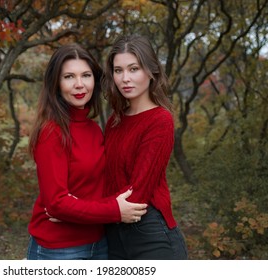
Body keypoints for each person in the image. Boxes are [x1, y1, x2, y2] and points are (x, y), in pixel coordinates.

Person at [27, 43, 147, 260]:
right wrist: (114, 211)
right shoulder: (51, 132)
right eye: (69, 77)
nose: (79, 84)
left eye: (86, 75)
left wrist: (75, 209)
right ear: (56, 83)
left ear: (95, 80)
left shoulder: (93, 129)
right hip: (59, 249)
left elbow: (97, 189)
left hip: (99, 244)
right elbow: (56, 204)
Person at [102, 34, 188, 260]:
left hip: (149, 232)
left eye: (133, 69)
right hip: (113, 229)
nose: (124, 78)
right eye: (118, 70)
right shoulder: (115, 121)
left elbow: (138, 192)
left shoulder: (160, 120)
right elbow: (105, 178)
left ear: (151, 71)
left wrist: (89, 211)